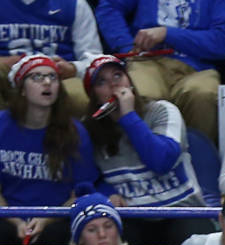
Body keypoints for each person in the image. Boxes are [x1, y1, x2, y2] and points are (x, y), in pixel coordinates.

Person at [0, 55, 94, 242]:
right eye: (37, 77)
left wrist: (46, 219)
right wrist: (17, 222)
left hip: (57, 218)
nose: (47, 82)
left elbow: (77, 194)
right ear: (21, 89)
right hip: (8, 217)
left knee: (57, 236)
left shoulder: (75, 131)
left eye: (53, 77)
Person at [80, 54, 205, 235]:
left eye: (118, 76)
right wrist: (107, 193)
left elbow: (161, 162)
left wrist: (129, 117)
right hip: (133, 216)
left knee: (192, 240)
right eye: (101, 82)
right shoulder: (90, 129)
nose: (114, 84)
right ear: (95, 97)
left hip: (182, 210)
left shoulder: (162, 110)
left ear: (129, 82)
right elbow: (88, 179)